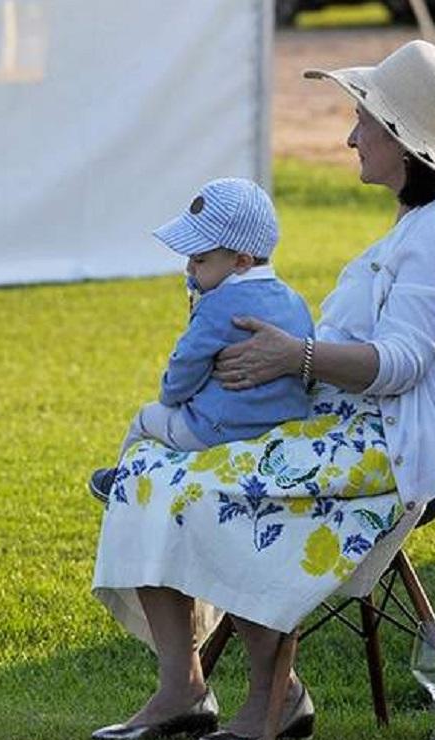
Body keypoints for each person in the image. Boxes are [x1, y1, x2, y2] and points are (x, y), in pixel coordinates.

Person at [90, 39, 435, 740]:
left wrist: (297, 356)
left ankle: (276, 697)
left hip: (390, 452)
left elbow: (403, 364)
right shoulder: (417, 227)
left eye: (363, 122)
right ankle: (182, 686)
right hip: (336, 435)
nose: (351, 136)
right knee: (145, 475)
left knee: (211, 489)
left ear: (402, 140)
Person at [89, 177, 314, 502]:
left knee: (146, 418)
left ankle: (117, 486)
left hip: (220, 429)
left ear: (241, 261)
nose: (189, 268)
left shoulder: (218, 305)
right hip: (283, 427)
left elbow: (187, 363)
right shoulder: (295, 301)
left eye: (199, 260)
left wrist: (171, 395)